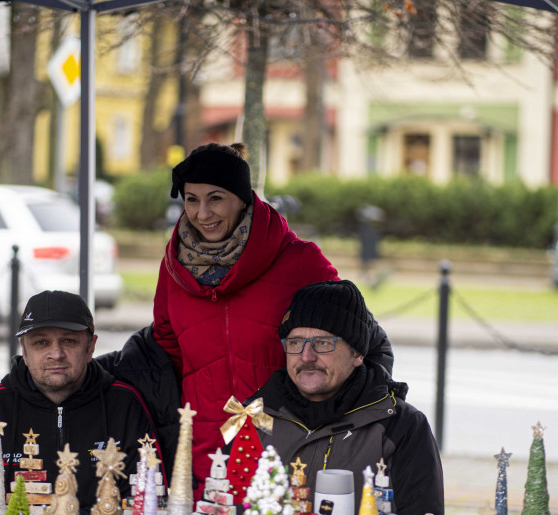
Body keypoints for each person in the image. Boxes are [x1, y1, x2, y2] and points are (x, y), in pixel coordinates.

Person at [154, 142, 387, 495]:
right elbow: (168, 344)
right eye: (191, 199)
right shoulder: (173, 269)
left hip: (289, 453)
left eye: (215, 198)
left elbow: (357, 335)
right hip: (207, 456)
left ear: (243, 197)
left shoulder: (300, 261)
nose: (202, 213)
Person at [248, 280, 444, 515]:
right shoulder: (255, 415)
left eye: (323, 343)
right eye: (295, 342)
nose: (306, 356)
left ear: (357, 354)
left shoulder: (399, 426)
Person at [0, 290, 161, 515]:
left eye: (69, 341)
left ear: (90, 346)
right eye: (41, 342)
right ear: (24, 350)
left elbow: (146, 500)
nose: (56, 354)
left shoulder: (124, 403)